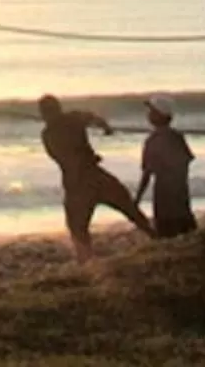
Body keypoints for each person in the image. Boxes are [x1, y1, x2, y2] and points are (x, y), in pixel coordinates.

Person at [37, 93, 152, 259]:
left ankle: (85, 258)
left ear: (44, 114)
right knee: (128, 206)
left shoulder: (48, 134)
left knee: (77, 226)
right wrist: (106, 128)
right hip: (93, 174)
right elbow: (93, 118)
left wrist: (103, 127)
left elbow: (60, 157)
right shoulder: (73, 118)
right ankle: (152, 234)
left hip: (76, 181)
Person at [136, 97, 196, 238]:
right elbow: (185, 163)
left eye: (152, 111)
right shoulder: (177, 137)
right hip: (180, 190)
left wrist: (137, 199)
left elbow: (147, 173)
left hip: (163, 193)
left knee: (165, 230)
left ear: (159, 116)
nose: (148, 115)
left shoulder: (152, 141)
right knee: (185, 226)